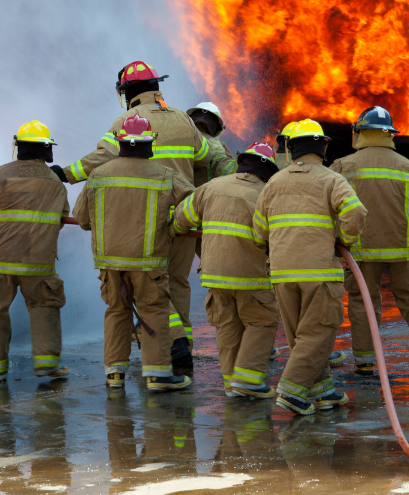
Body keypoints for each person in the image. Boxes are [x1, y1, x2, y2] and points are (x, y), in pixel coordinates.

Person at [61, 61, 210, 376]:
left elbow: (102, 157)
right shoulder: (184, 119)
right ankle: (180, 358)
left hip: (144, 224)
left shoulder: (128, 120)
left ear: (126, 92)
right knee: (177, 287)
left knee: (148, 292)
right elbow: (204, 158)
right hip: (183, 220)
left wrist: (65, 173)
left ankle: (159, 357)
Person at [73, 113, 195, 391]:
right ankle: (157, 376)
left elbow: (81, 218)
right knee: (153, 311)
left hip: (109, 263)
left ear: (120, 142)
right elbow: (193, 204)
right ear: (150, 143)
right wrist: (175, 224)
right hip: (148, 262)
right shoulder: (165, 175)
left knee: (116, 311)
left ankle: (114, 375)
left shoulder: (98, 175)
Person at [253, 120, 367, 415]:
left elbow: (259, 230)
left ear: (290, 149)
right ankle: (291, 390)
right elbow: (354, 212)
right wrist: (346, 241)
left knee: (300, 337)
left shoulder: (274, 182)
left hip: (281, 272)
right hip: (319, 272)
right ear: (324, 148)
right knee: (318, 334)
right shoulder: (332, 180)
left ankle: (322, 392)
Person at [329, 106, 409, 376]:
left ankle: (366, 360)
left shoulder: (342, 166)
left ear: (359, 133)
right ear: (390, 134)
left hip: (360, 251)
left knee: (363, 301)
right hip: (405, 251)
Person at [173, 142, 281, 399]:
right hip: (252, 275)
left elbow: (180, 220)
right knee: (262, 321)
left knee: (227, 326)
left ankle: (232, 384)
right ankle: (249, 379)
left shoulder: (210, 187)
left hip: (215, 274)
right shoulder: (268, 194)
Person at [0, 120, 71, 382]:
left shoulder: (0, 174)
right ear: (47, 150)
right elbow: (62, 217)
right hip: (39, 264)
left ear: (19, 146)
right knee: (45, 306)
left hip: (0, 261)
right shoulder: (54, 182)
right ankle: (47, 364)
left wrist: (7, 224)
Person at [187, 101, 239, 186]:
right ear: (218, 129)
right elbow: (231, 175)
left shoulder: (179, 139)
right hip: (205, 196)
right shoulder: (219, 147)